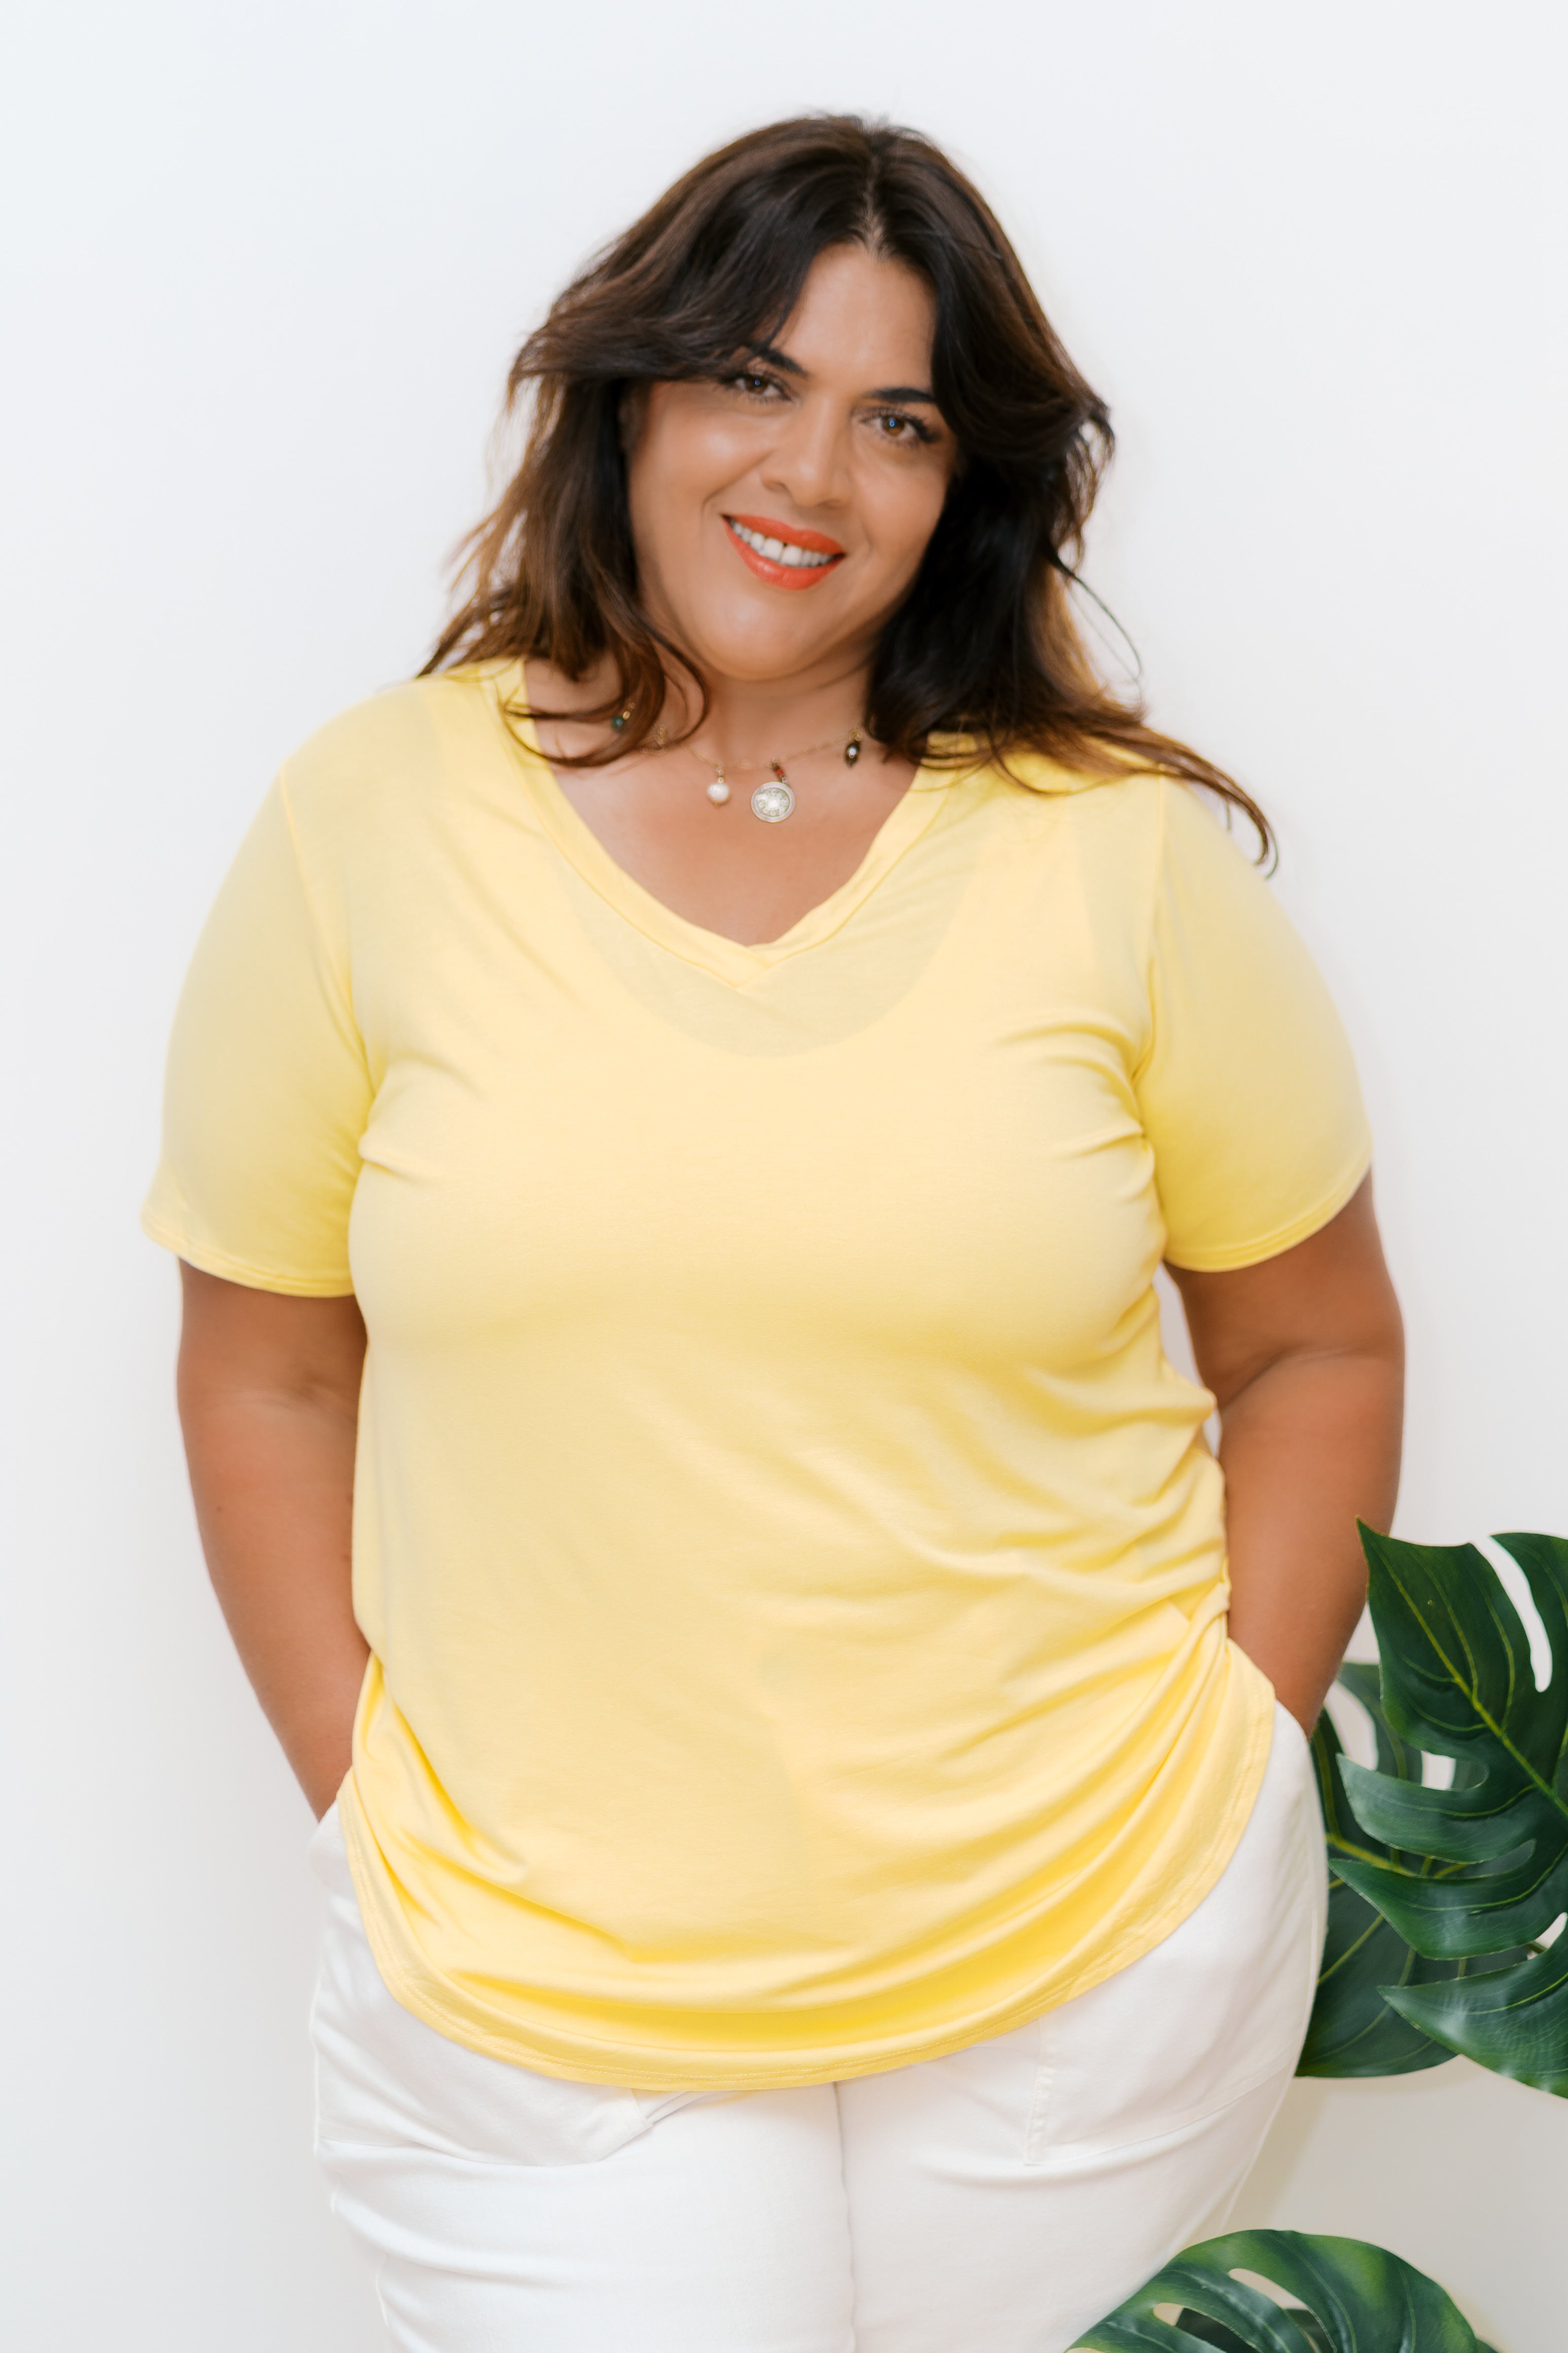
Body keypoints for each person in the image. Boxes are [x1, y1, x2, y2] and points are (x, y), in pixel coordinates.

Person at [145, 114, 1404, 2353]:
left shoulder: (1114, 856)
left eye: (897, 419)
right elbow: (266, 1364)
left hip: (1093, 1946)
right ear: (630, 400)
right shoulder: (373, 821)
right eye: (751, 375)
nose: (810, 469)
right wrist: (364, 1798)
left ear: (962, 484)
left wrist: (1238, 1751)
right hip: (536, 1985)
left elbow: (1314, 1344)